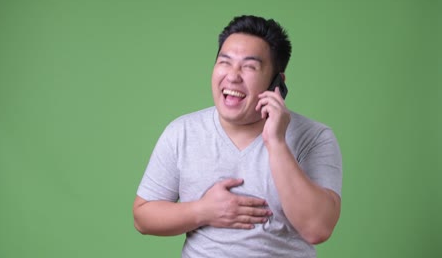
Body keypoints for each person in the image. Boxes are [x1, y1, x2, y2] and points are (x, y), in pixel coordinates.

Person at [133, 15, 342, 258]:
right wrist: (203, 211)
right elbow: (143, 216)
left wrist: (276, 142)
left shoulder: (314, 137)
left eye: (250, 66)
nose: (233, 76)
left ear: (277, 82)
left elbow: (318, 228)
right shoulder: (182, 132)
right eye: (225, 62)